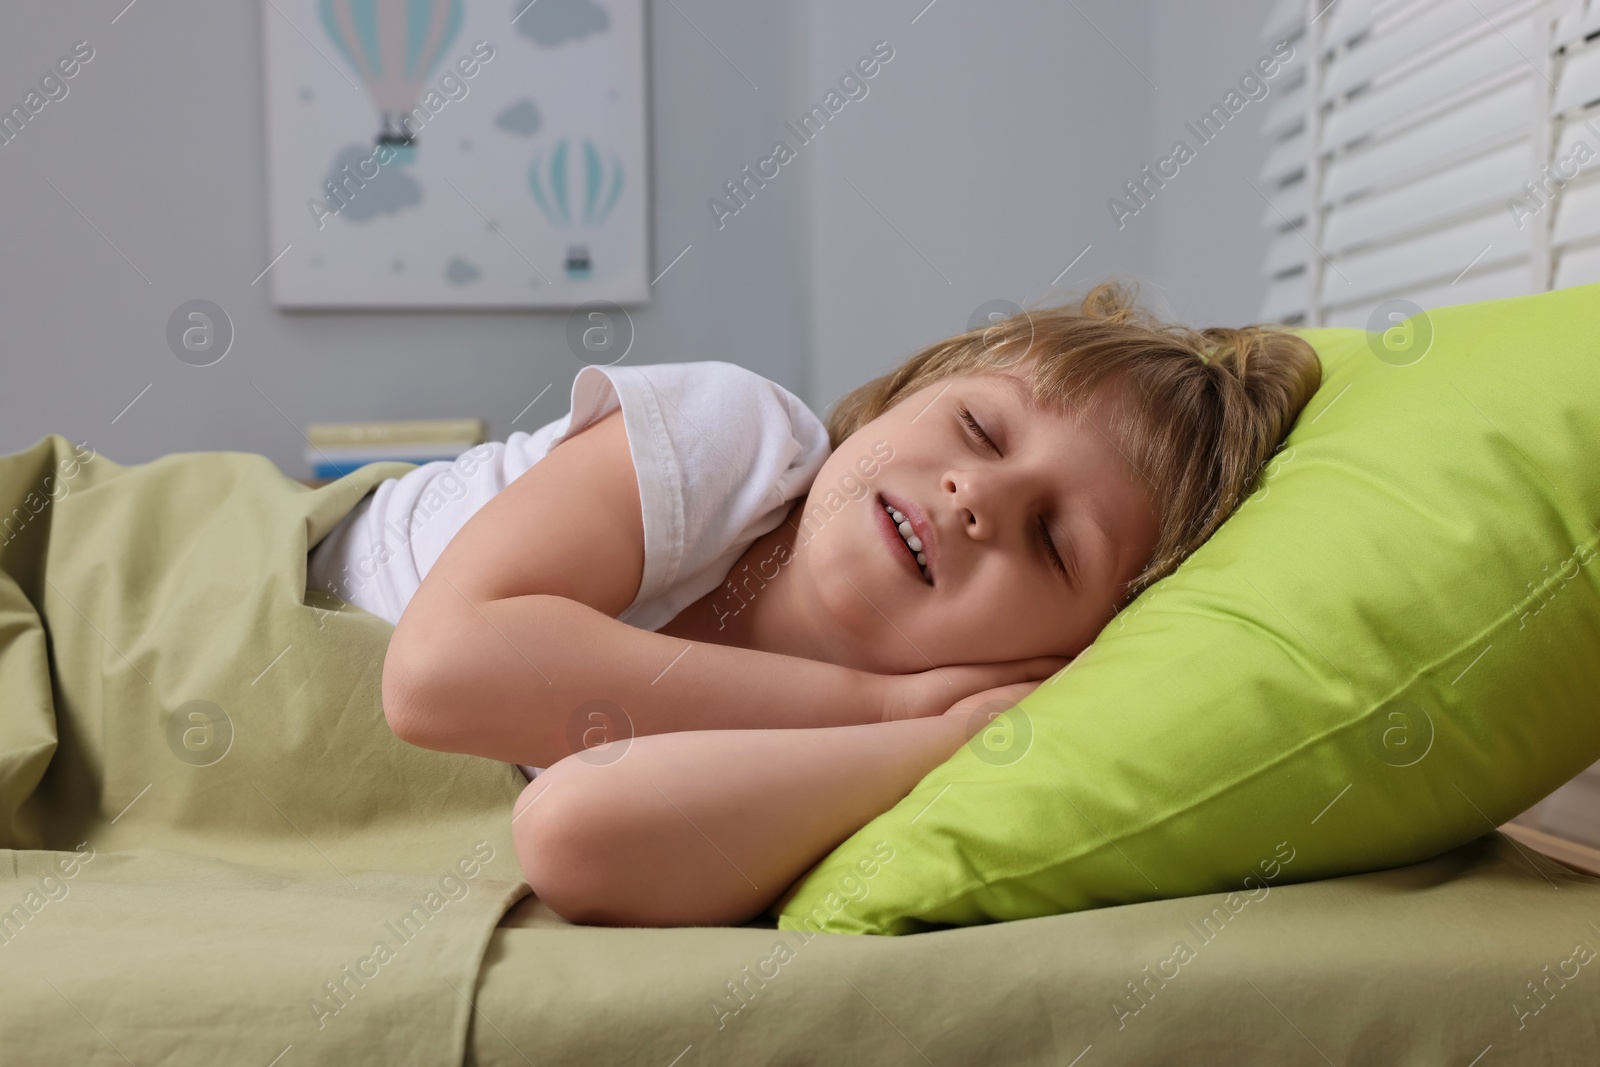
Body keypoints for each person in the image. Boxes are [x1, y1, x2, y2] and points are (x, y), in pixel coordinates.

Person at [349, 281, 1321, 927]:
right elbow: (439, 675)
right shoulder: (733, 437)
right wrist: (889, 710)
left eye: (1051, 541)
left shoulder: (872, 767)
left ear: (1070, 648)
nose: (975, 497)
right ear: (910, 390)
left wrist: (932, 736)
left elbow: (571, 830)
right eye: (978, 427)